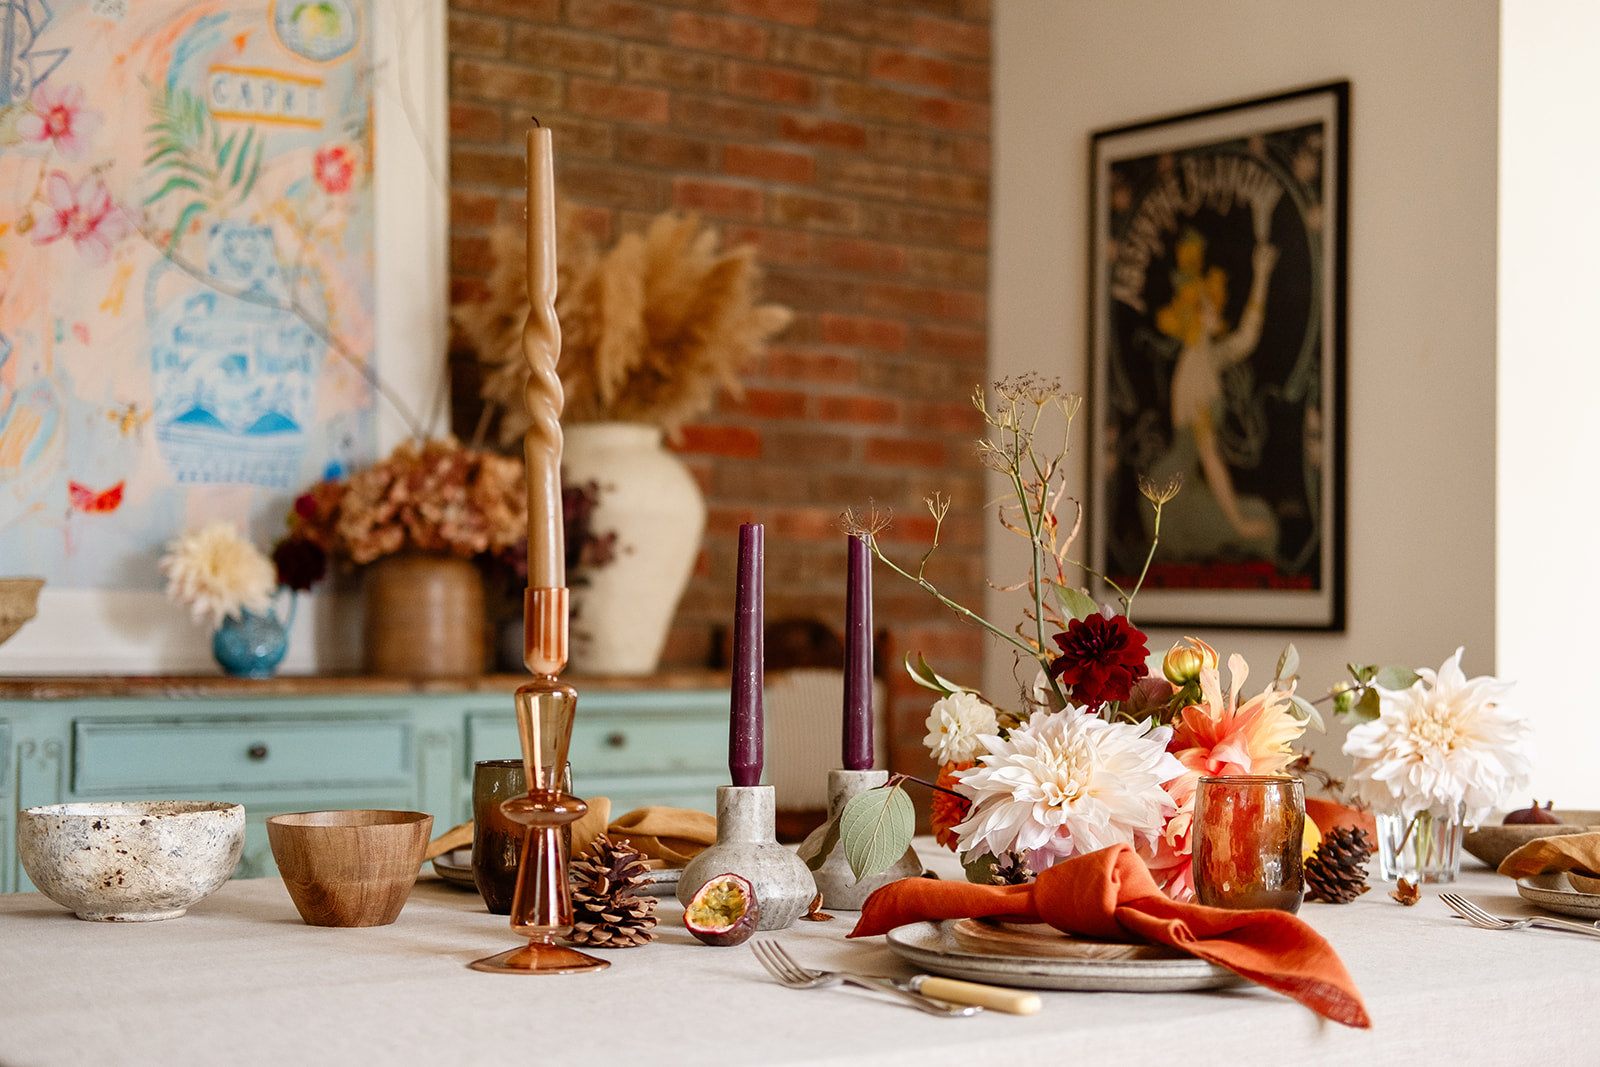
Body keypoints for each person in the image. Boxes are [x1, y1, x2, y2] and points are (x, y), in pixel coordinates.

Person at [1145, 229, 1278, 561]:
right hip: (1175, 500)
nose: (1216, 307)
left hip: (1188, 487)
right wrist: (1238, 524)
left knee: (1262, 515)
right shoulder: (1194, 373)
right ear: (1192, 313)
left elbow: (1246, 338)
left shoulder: (1206, 356)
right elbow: (1210, 457)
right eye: (1206, 304)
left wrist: (1261, 275)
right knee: (1261, 521)